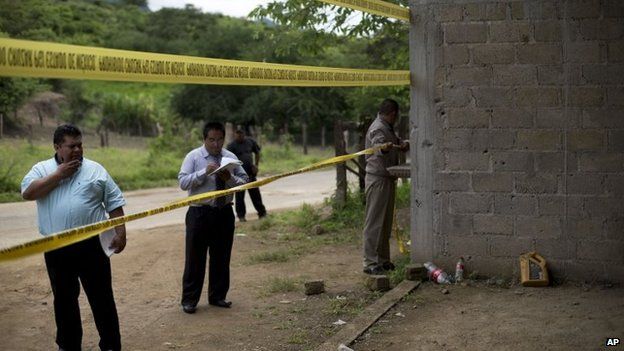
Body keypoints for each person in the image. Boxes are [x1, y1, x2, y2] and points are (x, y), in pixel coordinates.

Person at [21, 124, 127, 351]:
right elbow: (28, 193)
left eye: (80, 145)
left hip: (93, 245)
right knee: (64, 299)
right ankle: (68, 345)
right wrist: (58, 175)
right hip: (56, 245)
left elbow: (114, 203)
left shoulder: (96, 169)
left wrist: (121, 233)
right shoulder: (42, 169)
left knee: (102, 298)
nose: (78, 150)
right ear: (58, 147)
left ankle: (110, 344)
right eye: (72, 146)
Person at [178, 122, 248, 314]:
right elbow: (183, 182)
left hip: (224, 212)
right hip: (199, 213)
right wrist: (203, 173)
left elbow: (244, 182)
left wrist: (230, 179)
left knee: (221, 256)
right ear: (204, 139)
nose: (216, 144)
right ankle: (190, 300)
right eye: (211, 140)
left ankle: (218, 296)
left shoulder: (230, 158)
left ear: (224, 138)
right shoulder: (193, 157)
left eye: (219, 140)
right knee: (195, 258)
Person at [362, 99, 409, 275]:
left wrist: (403, 144)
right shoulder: (377, 128)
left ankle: (382, 259)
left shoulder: (387, 127)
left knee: (385, 222)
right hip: (377, 180)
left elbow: (395, 141)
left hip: (387, 178)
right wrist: (385, 147)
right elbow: (378, 145)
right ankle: (370, 262)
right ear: (393, 114)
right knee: (374, 222)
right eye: (396, 116)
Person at [226, 129, 267, 222]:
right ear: (234, 134)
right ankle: (241, 216)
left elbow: (257, 153)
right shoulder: (231, 146)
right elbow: (227, 161)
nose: (239, 136)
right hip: (239, 176)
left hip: (251, 173)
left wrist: (256, 165)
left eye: (241, 133)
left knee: (256, 194)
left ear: (244, 134)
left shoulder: (250, 142)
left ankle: (262, 213)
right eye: (237, 133)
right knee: (239, 196)